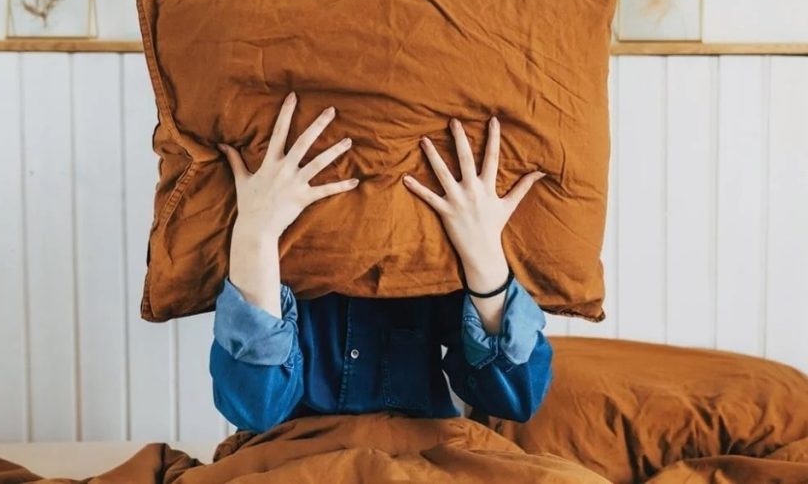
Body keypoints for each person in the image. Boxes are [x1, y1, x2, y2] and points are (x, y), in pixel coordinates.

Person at [210, 92, 553, 434]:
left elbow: (516, 398)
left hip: (419, 450)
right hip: (295, 451)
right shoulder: (292, 246)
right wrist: (256, 235)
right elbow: (257, 409)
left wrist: (484, 254)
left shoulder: (430, 248)